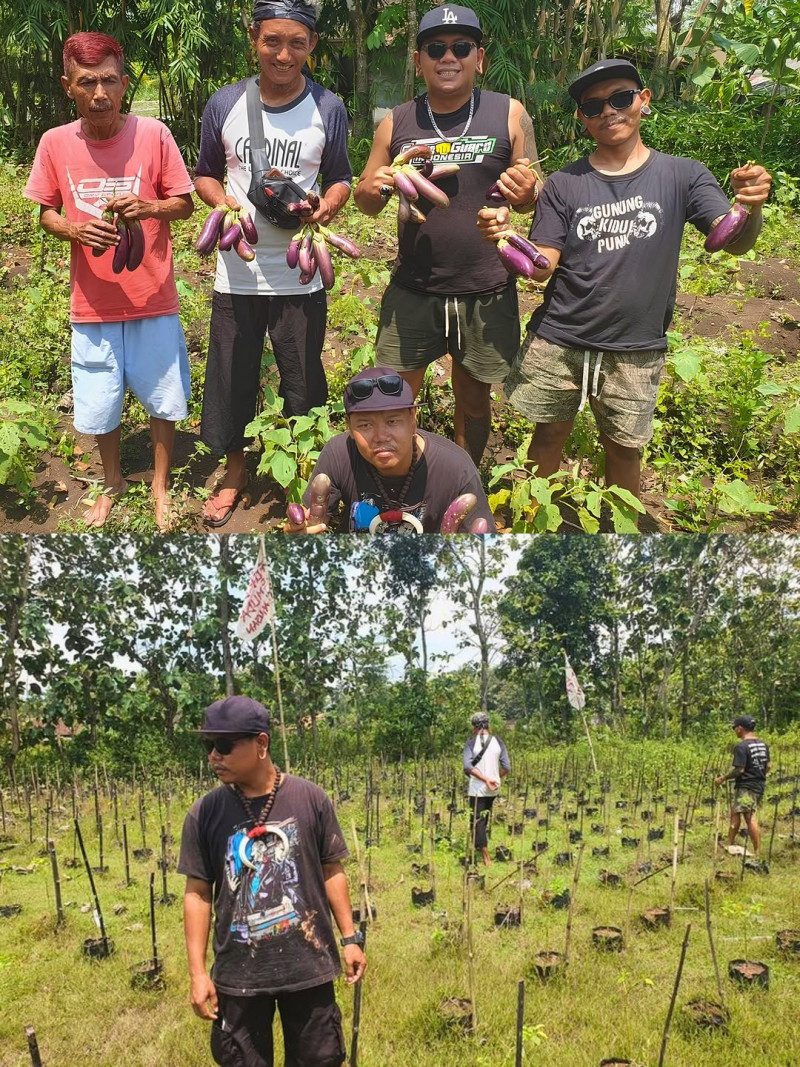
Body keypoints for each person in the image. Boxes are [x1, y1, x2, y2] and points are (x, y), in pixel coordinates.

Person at [478, 58, 772, 505]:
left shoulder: (683, 174)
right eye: (593, 106)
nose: (609, 111)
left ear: (643, 100)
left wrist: (750, 207)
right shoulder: (564, 183)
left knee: (624, 449)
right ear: (582, 118)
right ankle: (532, 521)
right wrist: (505, 239)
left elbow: (729, 243)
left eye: (620, 98)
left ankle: (620, 534)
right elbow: (543, 266)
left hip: (636, 345)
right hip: (560, 337)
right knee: (548, 434)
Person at [353, 5, 542, 467]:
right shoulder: (396, 121)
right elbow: (365, 197)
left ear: (480, 57)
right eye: (436, 48)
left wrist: (527, 192)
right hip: (414, 289)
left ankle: (464, 478)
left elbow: (534, 191)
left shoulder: (510, 114)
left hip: (486, 288)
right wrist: (374, 188)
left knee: (474, 400)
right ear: (419, 61)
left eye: (461, 47)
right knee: (393, 399)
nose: (449, 57)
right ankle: (397, 483)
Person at [24, 32, 194, 530]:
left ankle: (160, 485)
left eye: (109, 81)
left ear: (123, 83)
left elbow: (184, 204)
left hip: (152, 296)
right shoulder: (55, 143)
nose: (100, 93)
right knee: (100, 402)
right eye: (87, 83)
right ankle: (112, 480)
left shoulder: (153, 135)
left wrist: (149, 206)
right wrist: (75, 229)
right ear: (68, 86)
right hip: (92, 303)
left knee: (163, 396)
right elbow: (46, 213)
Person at [195, 0, 353, 527]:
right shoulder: (225, 103)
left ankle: (306, 477)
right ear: (254, 39)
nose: (284, 55)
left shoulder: (328, 107)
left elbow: (340, 177)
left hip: (300, 272)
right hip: (238, 270)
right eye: (272, 42)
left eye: (296, 43)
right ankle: (235, 473)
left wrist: (328, 205)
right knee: (232, 376)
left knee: (303, 379)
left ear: (312, 45)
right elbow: (205, 173)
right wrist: (223, 202)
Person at [178, 695, 366, 1067]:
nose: (213, 756)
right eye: (208, 745)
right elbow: (197, 894)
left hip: (308, 965)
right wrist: (198, 974)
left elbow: (331, 870)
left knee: (319, 1059)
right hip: (239, 973)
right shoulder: (205, 813)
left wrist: (349, 938)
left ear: (261, 743)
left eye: (224, 745)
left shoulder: (310, 799)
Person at [285, 367, 495, 532]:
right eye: (365, 425)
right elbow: (314, 522)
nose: (381, 436)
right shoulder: (339, 454)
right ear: (349, 427)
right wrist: (301, 534)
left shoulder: (456, 469)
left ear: (413, 419)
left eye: (392, 421)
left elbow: (485, 550)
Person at [715, 714, 770, 857]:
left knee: (749, 816)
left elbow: (740, 769)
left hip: (747, 786)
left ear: (740, 728)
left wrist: (723, 778)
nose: (734, 730)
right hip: (759, 783)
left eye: (734, 728)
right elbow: (768, 766)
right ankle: (729, 842)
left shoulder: (742, 747)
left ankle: (757, 852)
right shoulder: (763, 745)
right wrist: (757, 774)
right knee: (735, 811)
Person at [463, 711, 510, 865]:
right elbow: (507, 767)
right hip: (493, 788)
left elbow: (467, 767)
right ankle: (478, 846)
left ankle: (485, 856)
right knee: (484, 818)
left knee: (478, 821)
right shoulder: (498, 741)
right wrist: (494, 778)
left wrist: (485, 780)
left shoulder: (471, 743)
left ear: (474, 727)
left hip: (477, 789)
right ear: (488, 725)